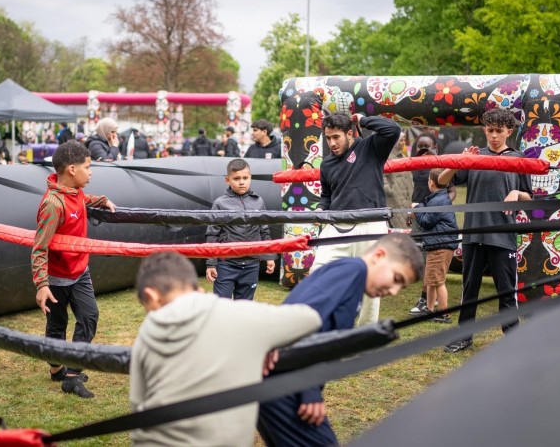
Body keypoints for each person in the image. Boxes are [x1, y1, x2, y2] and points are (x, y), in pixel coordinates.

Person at [130, 252, 321, 446]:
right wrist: (269, 340)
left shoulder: (147, 332)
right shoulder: (239, 315)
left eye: (148, 308)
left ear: (151, 295)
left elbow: (138, 404)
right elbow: (310, 318)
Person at [257, 233, 424, 446]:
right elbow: (300, 321)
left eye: (402, 287)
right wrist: (309, 391)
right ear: (379, 256)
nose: (394, 291)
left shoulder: (353, 279)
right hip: (285, 382)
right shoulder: (351, 272)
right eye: (397, 279)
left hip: (281, 381)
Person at [437, 107, 532, 353]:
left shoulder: (518, 158)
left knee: (506, 291)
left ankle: (513, 339)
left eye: (499, 131)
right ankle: (463, 337)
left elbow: (529, 198)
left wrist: (517, 192)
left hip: (503, 235)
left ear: (509, 131)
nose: (494, 136)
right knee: (469, 290)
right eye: (490, 131)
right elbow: (442, 181)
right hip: (473, 234)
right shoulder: (475, 156)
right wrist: (460, 161)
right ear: (484, 131)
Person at [32, 141, 116, 398]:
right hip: (57, 278)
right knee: (57, 325)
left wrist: (103, 200)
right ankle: (57, 369)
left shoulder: (75, 192)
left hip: (80, 272)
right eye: (87, 167)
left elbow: (84, 200)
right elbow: (39, 247)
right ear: (71, 169)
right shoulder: (53, 204)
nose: (90, 172)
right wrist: (42, 284)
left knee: (89, 317)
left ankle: (71, 376)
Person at [312, 111, 401, 326]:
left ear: (350, 133)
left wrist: (363, 120)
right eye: (328, 138)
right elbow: (327, 195)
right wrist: (321, 209)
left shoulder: (371, 147)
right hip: (337, 226)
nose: (332, 143)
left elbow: (393, 129)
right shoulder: (326, 164)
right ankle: (324, 325)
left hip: (371, 224)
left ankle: (364, 336)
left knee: (371, 287)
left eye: (336, 137)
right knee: (317, 274)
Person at [205, 159, 276, 300]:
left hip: (252, 264)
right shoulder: (220, 203)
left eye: (245, 178)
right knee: (221, 305)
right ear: (227, 180)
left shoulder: (258, 201)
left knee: (245, 306)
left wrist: (269, 257)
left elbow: (264, 230)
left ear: (250, 178)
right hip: (226, 264)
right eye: (236, 178)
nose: (241, 182)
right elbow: (212, 234)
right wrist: (210, 264)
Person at [408, 134, 456, 315]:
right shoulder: (413, 166)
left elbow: (452, 191)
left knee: (431, 260)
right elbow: (413, 192)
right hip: (418, 215)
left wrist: (440, 206)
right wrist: (412, 212)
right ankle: (428, 301)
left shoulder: (438, 169)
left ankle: (425, 300)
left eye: (426, 146)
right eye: (419, 146)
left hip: (432, 218)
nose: (423, 149)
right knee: (421, 259)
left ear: (435, 147)